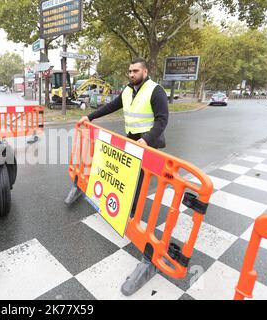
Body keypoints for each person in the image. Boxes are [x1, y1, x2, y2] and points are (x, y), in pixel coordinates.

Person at [78, 57, 169, 296]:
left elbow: (162, 120)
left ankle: (135, 218)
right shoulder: (128, 90)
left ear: (145, 71)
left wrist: (146, 140)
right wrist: (90, 117)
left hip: (149, 143)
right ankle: (129, 210)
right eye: (129, 70)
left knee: (141, 180)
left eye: (135, 70)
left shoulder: (155, 90)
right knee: (131, 177)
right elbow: (111, 106)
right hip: (132, 141)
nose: (131, 74)